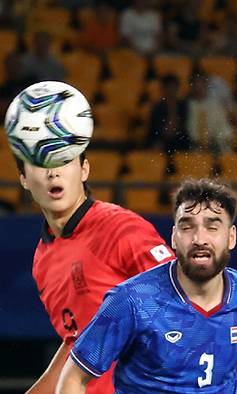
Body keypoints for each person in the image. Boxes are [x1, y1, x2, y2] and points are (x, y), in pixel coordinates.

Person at [56, 178, 237, 393]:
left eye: (212, 227)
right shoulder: (131, 301)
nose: (199, 238)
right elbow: (73, 377)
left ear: (231, 237)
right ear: (174, 237)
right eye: (187, 227)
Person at [18, 150, 175, 393]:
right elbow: (75, 342)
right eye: (40, 165)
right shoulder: (42, 259)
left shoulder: (121, 229)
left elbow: (182, 306)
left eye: (64, 160)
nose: (53, 172)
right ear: (24, 179)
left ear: (84, 170)